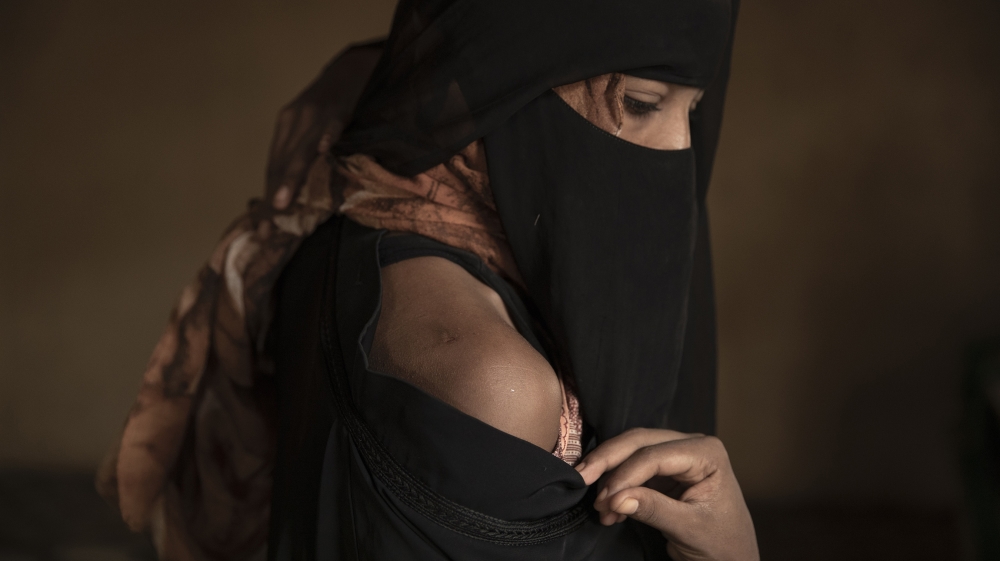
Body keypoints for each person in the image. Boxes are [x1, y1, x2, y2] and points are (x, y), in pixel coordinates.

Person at [99, 0, 759, 559]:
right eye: (641, 103)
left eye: (692, 112)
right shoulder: (493, 380)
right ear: (514, 77)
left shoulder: (353, 208)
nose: (680, 158)